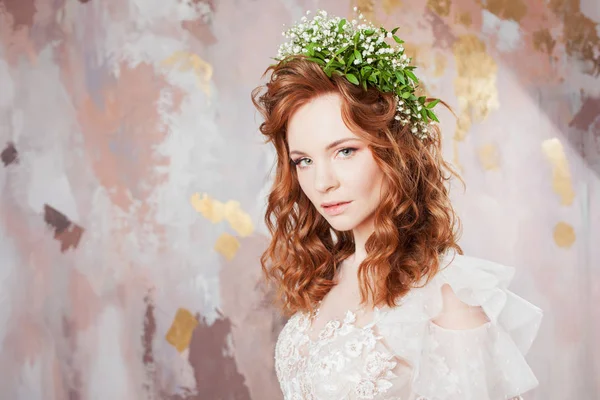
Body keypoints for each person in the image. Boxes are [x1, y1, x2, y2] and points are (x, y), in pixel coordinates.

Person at [251, 8, 543, 400]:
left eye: (345, 151)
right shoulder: (325, 275)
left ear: (394, 151)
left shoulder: (445, 298)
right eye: (304, 160)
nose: (322, 182)